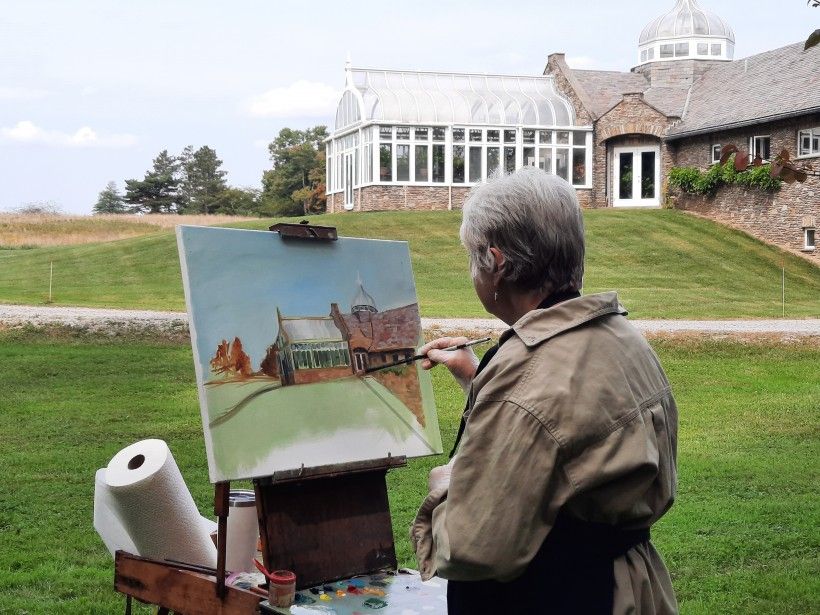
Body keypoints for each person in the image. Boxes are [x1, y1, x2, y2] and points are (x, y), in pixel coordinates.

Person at [410, 167, 678, 614]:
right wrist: (478, 380)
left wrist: (446, 487)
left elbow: (476, 547)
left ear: (496, 263)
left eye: (470, 257)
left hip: (560, 595)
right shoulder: (621, 336)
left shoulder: (529, 372)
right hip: (627, 588)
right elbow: (571, 434)